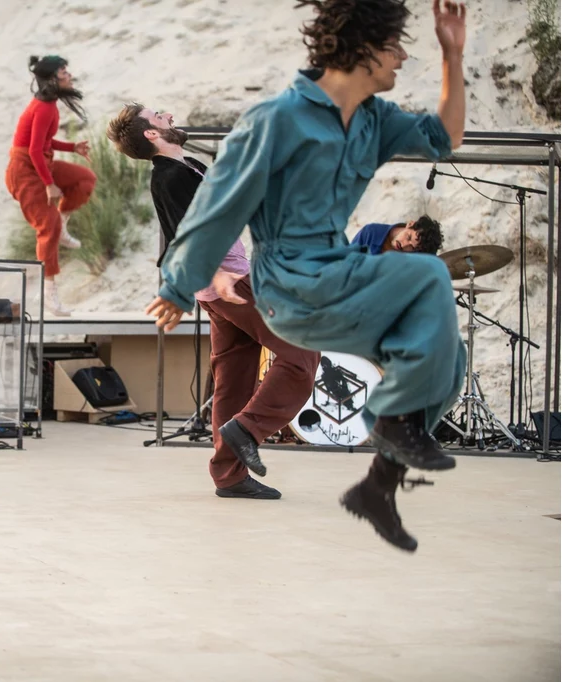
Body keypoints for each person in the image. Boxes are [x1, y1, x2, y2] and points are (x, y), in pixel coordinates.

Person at [146, 0, 469, 552]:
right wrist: (177, 286)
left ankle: (376, 486)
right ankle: (388, 428)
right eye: (396, 46)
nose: (403, 57)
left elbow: (446, 138)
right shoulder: (276, 120)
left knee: (451, 360)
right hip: (285, 284)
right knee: (429, 279)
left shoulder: (375, 119)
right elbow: (216, 207)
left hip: (336, 272)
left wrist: (453, 55)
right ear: (363, 49)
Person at [107, 104, 320, 500]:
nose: (168, 114)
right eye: (158, 115)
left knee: (233, 380)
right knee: (301, 353)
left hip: (223, 284)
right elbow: (182, 237)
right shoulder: (169, 178)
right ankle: (247, 429)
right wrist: (218, 273)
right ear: (151, 134)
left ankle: (229, 476)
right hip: (229, 284)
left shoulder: (187, 167)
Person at [5, 55, 97, 316]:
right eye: (64, 72)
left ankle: (63, 224)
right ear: (51, 79)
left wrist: (72, 147)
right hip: (25, 172)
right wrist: (48, 184)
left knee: (85, 179)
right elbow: (33, 150)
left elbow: (43, 141)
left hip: (40, 162)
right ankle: (49, 293)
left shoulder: (49, 105)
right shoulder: (44, 107)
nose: (69, 76)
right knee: (48, 225)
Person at [352, 214, 443, 254]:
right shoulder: (371, 233)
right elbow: (345, 261)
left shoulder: (417, 256)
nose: (404, 245)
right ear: (410, 224)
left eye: (412, 247)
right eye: (408, 237)